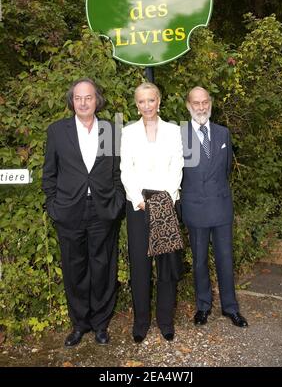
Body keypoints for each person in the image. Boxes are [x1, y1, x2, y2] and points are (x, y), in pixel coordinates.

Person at [42, 78, 125, 347]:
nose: (83, 102)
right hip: (69, 211)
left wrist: (117, 201)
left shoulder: (111, 131)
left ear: (96, 100)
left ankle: (101, 324)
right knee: (74, 268)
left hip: (103, 210)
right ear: (72, 101)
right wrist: (53, 205)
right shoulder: (57, 131)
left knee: (103, 267)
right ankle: (80, 324)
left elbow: (117, 172)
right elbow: (49, 174)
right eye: (78, 98)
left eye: (88, 97)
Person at [120, 82, 184, 343]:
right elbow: (126, 169)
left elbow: (177, 165)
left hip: (166, 202)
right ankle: (141, 321)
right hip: (137, 205)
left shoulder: (174, 131)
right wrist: (138, 199)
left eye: (151, 100)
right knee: (140, 265)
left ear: (159, 101)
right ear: (136, 105)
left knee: (166, 266)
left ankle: (165, 320)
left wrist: (164, 198)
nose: (147, 105)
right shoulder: (127, 132)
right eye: (141, 101)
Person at [180, 86, 248, 328]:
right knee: (199, 261)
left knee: (225, 259)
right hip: (195, 206)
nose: (201, 107)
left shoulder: (223, 133)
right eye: (196, 103)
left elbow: (226, 166)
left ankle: (231, 308)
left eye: (205, 102)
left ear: (210, 103)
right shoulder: (178, 134)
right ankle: (203, 306)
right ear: (188, 105)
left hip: (220, 205)